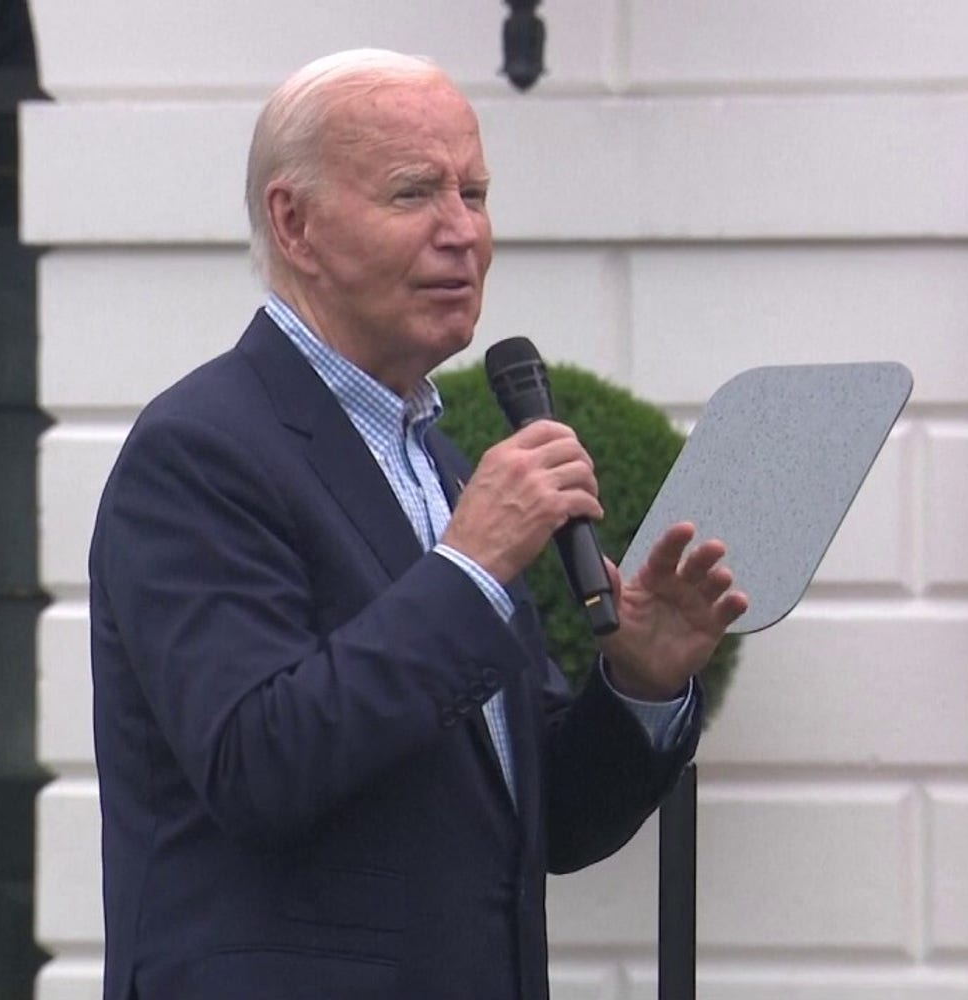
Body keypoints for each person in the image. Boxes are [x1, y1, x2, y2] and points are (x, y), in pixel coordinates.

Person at [88, 48, 749, 1000]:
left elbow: (541, 823)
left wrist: (640, 684)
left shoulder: (433, 459)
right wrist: (471, 565)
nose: (464, 233)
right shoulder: (198, 452)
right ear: (296, 222)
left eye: (475, 194)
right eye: (414, 194)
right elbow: (256, 766)